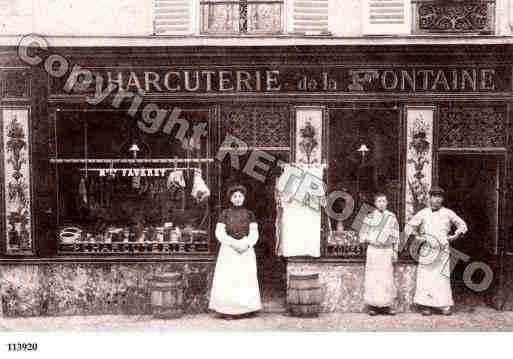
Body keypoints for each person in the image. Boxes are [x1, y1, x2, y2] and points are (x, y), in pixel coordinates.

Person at [405, 186, 468, 316]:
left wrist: (455, 235)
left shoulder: (448, 213)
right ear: (430, 198)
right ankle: (426, 305)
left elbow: (462, 225)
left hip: (442, 250)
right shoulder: (423, 213)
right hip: (427, 250)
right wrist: (419, 237)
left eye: (439, 197)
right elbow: (409, 227)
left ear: (442, 199)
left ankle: (443, 305)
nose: (437, 200)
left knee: (442, 277)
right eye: (434, 196)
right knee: (426, 277)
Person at [209, 184, 262, 319]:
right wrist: (233, 244)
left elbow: (254, 234)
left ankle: (247, 308)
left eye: (240, 196)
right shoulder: (225, 214)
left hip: (245, 250)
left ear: (243, 198)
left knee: (245, 279)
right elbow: (219, 233)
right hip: (229, 251)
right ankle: (228, 310)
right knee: (229, 280)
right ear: (231, 199)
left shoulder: (250, 214)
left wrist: (246, 244)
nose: (238, 199)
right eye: (235, 196)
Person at [359, 193, 400, 316]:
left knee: (386, 278)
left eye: (384, 201)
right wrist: (371, 238)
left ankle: (386, 306)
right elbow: (362, 235)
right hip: (374, 251)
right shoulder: (369, 217)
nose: (381, 203)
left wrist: (395, 250)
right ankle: (372, 306)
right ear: (375, 203)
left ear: (387, 203)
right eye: (379, 201)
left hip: (386, 251)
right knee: (374, 278)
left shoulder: (392, 217)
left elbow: (396, 235)